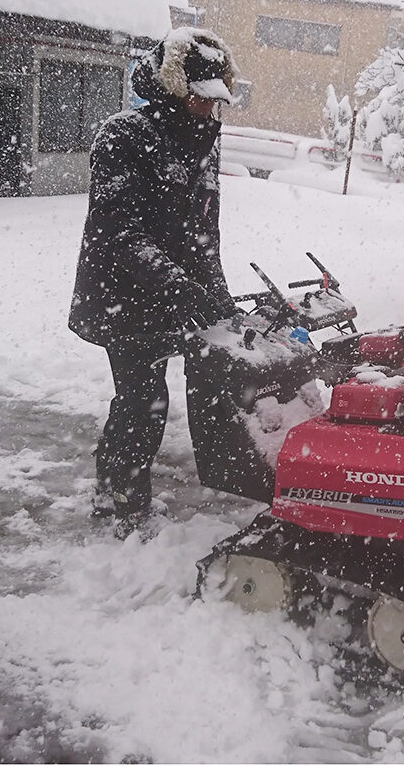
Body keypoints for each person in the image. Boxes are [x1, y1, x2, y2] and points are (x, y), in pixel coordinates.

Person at [68, 28, 239, 539]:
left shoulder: (205, 138)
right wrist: (178, 286)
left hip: (172, 293)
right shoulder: (121, 136)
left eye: (214, 99)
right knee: (142, 401)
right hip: (122, 294)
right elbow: (119, 231)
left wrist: (219, 296)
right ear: (172, 87)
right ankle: (122, 503)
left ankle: (114, 480)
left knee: (160, 396)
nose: (209, 109)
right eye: (198, 98)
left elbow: (204, 229)